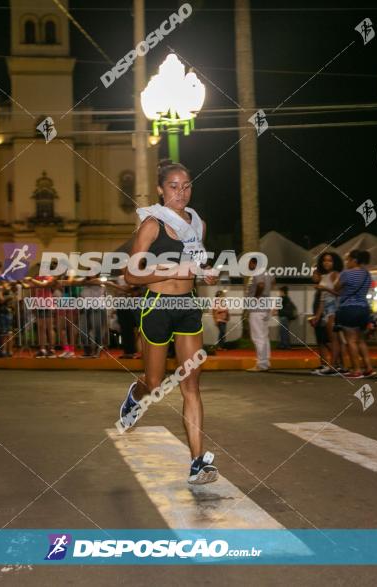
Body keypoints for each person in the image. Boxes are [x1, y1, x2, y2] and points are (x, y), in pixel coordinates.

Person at [118, 159, 219, 484]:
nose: (181, 192)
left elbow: (199, 263)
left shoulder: (198, 225)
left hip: (187, 305)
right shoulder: (152, 224)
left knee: (191, 385)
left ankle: (197, 463)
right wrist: (172, 270)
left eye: (187, 186)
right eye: (174, 186)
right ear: (161, 190)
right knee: (156, 384)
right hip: (157, 306)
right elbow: (131, 275)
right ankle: (136, 394)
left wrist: (207, 273)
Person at [319, 249, 375, 378]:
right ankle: (369, 368)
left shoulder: (346, 274)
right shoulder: (367, 274)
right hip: (364, 309)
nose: (346, 262)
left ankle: (356, 370)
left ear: (354, 261)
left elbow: (336, 288)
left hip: (348, 308)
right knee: (361, 340)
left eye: (348, 260)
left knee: (351, 341)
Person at [311, 252, 346, 376]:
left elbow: (340, 294)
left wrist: (324, 289)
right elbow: (322, 300)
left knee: (334, 340)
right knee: (334, 339)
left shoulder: (336, 275)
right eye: (324, 260)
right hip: (326, 310)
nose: (326, 263)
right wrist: (317, 316)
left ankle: (334, 367)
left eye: (330, 261)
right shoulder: (324, 276)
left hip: (334, 309)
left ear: (334, 262)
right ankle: (339, 366)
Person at [246, 258, 275, 372]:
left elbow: (261, 285)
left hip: (257, 308)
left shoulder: (257, 272)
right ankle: (266, 362)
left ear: (254, 263)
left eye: (249, 263)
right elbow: (273, 283)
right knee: (264, 336)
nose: (248, 266)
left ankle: (261, 364)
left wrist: (255, 298)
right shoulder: (268, 272)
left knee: (258, 337)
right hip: (265, 307)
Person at [276, 285, 297, 350]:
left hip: (283, 317)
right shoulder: (287, 298)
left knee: (283, 331)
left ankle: (285, 345)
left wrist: (273, 312)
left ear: (282, 291)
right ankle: (285, 344)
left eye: (280, 291)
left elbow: (277, 307)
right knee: (284, 331)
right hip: (287, 317)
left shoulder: (281, 298)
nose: (279, 292)